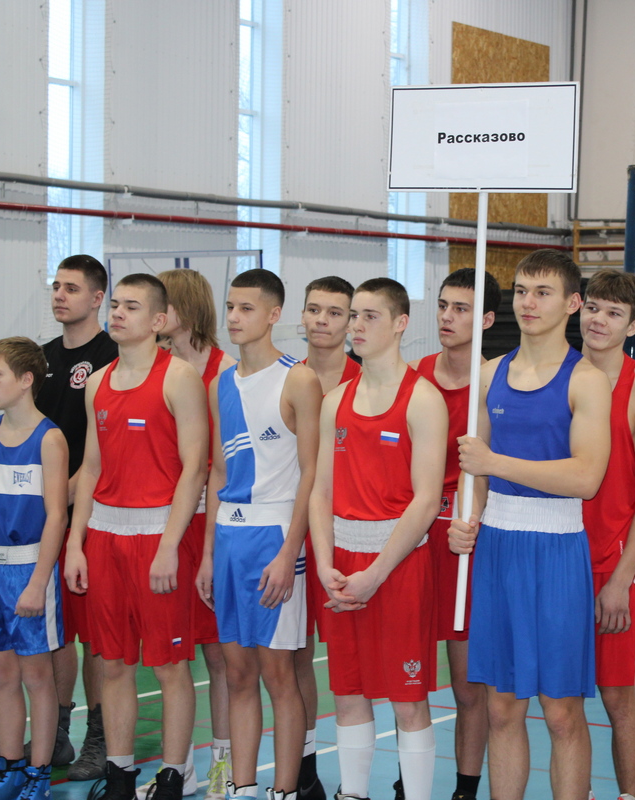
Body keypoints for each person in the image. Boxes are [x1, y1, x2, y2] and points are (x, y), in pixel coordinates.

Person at [449, 249, 611, 800]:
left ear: (572, 303)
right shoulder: (489, 374)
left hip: (558, 549)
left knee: (562, 712)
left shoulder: (587, 380)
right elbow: (474, 472)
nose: (528, 302)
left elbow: (586, 477)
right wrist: (467, 518)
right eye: (521, 291)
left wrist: (494, 464)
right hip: (498, 545)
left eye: (542, 292)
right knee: (500, 707)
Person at [64, 274, 208, 800]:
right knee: (112, 663)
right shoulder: (98, 382)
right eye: (116, 305)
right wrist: (76, 543)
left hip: (158, 536)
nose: (118, 313)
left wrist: (169, 545)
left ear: (159, 320)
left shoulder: (179, 378)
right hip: (105, 535)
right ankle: (120, 773)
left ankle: (172, 775)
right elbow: (91, 466)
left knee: (169, 665)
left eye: (132, 306)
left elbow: (195, 468)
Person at [309, 277, 447, 800]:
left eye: (370, 316)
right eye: (354, 316)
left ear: (400, 324)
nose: (356, 326)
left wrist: (375, 574)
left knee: (408, 700)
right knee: (347, 693)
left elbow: (426, 501)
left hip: (398, 564)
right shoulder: (335, 401)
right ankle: (353, 792)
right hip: (343, 561)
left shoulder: (423, 399)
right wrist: (325, 563)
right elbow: (320, 491)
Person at [196, 268, 321, 800]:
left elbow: (312, 474)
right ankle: (243, 789)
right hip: (229, 537)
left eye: (246, 308)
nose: (233, 317)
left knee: (278, 675)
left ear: (273, 315)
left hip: (274, 536)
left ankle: (284, 791)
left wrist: (291, 550)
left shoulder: (299, 380)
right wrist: (207, 555)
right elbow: (218, 472)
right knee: (238, 674)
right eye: (229, 307)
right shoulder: (220, 384)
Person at [0, 337, 69, 800]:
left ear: (25, 380)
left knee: (37, 676)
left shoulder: (50, 439)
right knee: (1, 674)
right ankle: (10, 769)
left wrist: (39, 582)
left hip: (27, 571)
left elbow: (57, 516)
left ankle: (39, 774)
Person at [579, 270, 635, 800]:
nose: (599, 320)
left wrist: (621, 579)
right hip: (558, 557)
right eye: (593, 307)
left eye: (614, 313)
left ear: (632, 326)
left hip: (615, 562)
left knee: (619, 699)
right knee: (560, 700)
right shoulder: (555, 377)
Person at [407, 267, 499, 800]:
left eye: (461, 309)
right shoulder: (416, 375)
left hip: (466, 541)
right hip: (415, 541)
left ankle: (465, 789)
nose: (446, 316)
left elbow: (489, 469)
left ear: (485, 320)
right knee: (407, 679)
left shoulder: (495, 383)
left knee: (467, 686)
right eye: (443, 305)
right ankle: (410, 779)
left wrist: (475, 517)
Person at [34, 254, 118, 781]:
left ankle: (99, 737)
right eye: (56, 286)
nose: (60, 295)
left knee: (95, 636)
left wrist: (64, 496)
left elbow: (102, 449)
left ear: (97, 297)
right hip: (45, 517)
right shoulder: (40, 359)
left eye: (71, 288)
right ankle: (58, 731)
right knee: (56, 629)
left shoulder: (113, 357)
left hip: (92, 513)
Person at [157, 268, 238, 800]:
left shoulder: (226, 371)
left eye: (160, 303)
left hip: (215, 524)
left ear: (182, 310)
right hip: (168, 523)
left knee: (219, 656)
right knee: (170, 656)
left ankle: (222, 769)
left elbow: (224, 464)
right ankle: (177, 767)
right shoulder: (154, 368)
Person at [295, 275, 359, 800]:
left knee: (350, 669)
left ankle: (362, 778)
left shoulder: (369, 382)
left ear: (352, 322)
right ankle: (304, 767)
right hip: (289, 537)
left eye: (335, 312)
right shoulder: (284, 379)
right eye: (314, 309)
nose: (322, 320)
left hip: (349, 543)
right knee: (294, 658)